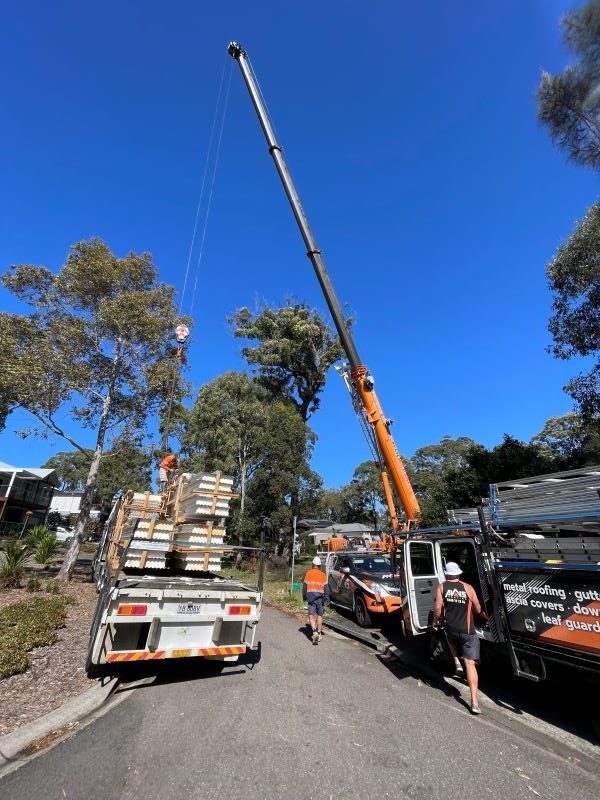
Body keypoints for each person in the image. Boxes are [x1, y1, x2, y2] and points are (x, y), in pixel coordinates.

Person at [433, 561, 485, 715]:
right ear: (459, 573)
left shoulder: (441, 587)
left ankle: (456, 661)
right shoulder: (468, 588)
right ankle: (474, 703)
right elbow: (477, 608)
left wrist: (436, 621)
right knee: (471, 664)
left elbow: (437, 607)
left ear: (446, 573)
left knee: (449, 637)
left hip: (451, 628)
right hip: (467, 630)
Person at [302, 556, 330, 645]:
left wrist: (304, 596)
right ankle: (319, 632)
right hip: (320, 599)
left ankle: (314, 632)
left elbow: (304, 587)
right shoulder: (323, 575)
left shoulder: (308, 573)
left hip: (311, 598)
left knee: (311, 615)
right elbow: (326, 589)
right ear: (319, 566)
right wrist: (327, 598)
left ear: (313, 564)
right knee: (320, 615)